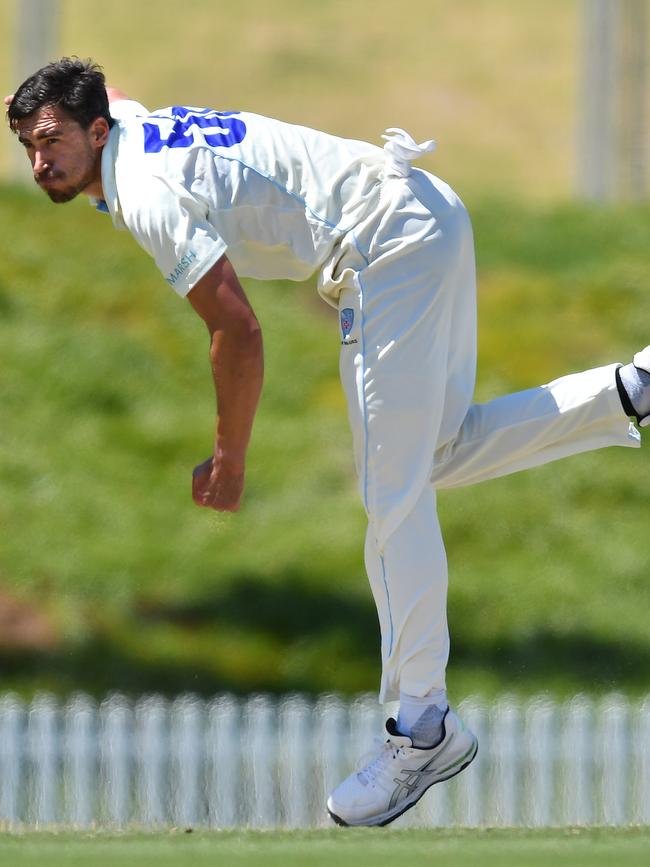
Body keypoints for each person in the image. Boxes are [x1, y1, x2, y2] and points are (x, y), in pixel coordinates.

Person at [6, 57, 650, 828]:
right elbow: (114, 100)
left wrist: (230, 457)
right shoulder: (130, 132)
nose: (40, 160)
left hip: (388, 247)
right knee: (435, 456)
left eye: (52, 140)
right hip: (425, 209)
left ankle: (422, 728)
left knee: (391, 495)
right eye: (27, 145)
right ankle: (632, 389)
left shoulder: (143, 189)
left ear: (99, 130)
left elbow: (237, 328)